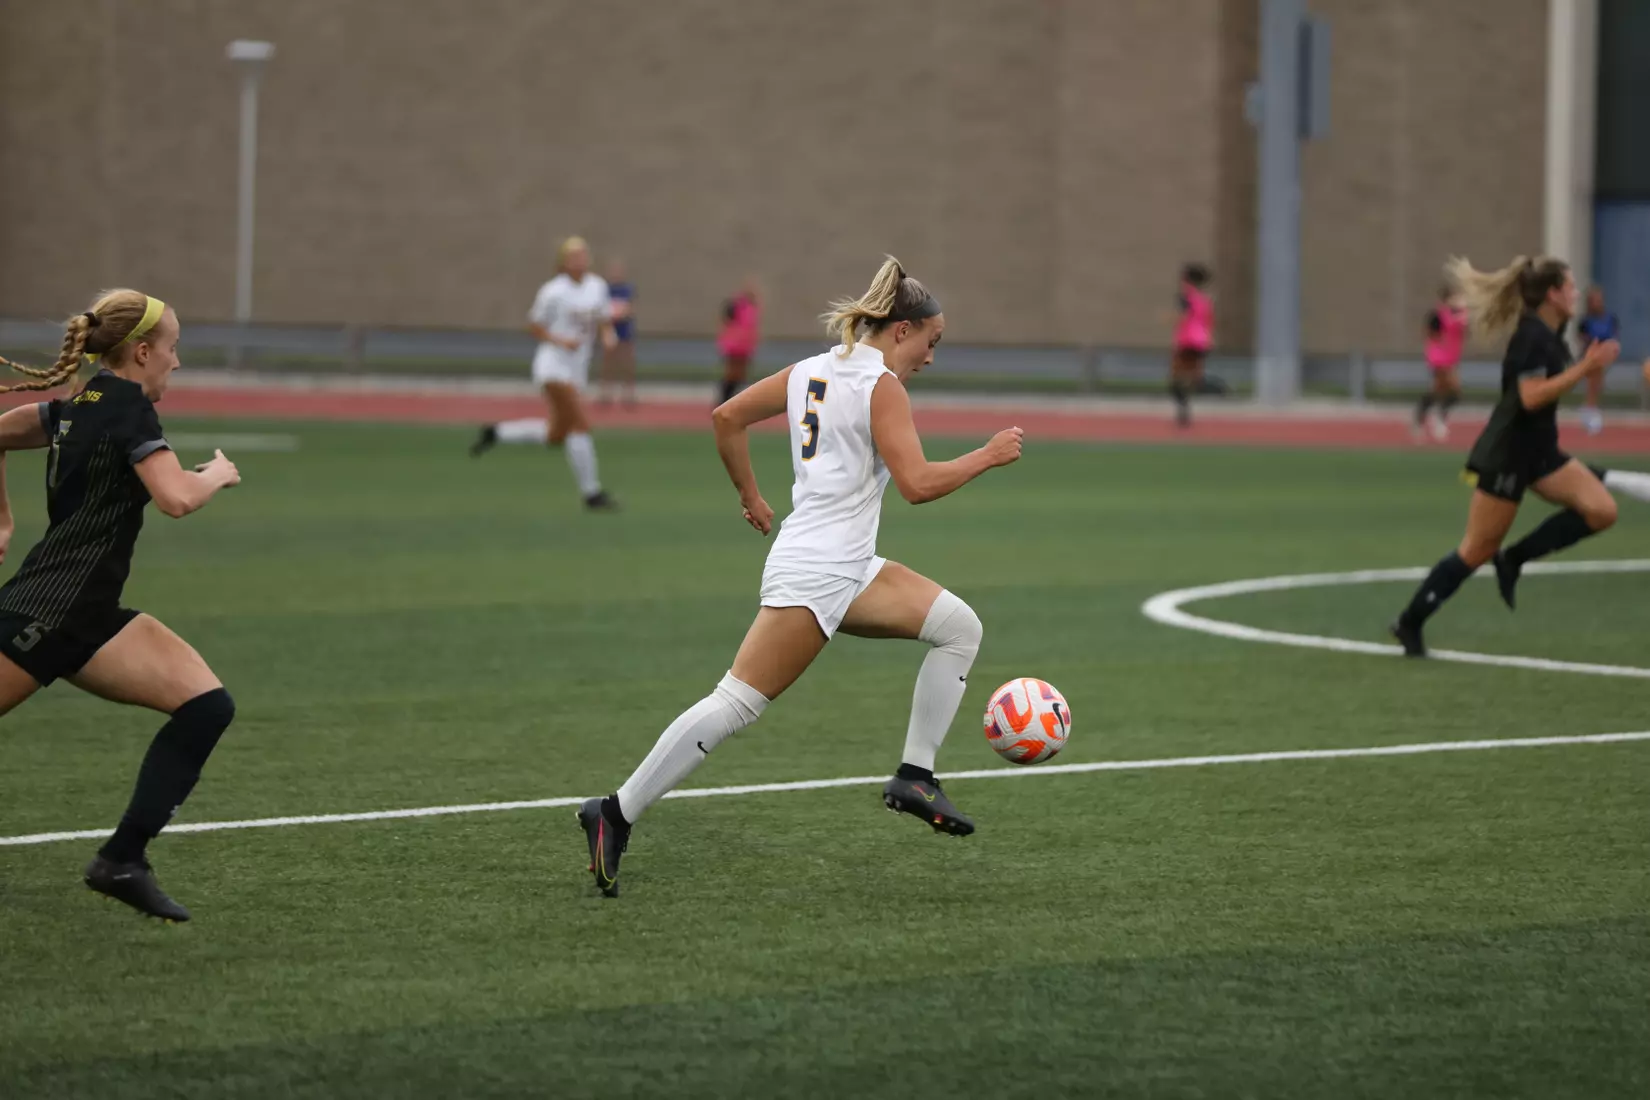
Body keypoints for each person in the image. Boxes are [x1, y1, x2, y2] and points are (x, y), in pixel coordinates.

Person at [577, 257, 1023, 897]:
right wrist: (987, 455)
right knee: (735, 704)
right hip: (818, 572)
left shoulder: (812, 370)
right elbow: (918, 486)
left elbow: (725, 417)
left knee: (959, 628)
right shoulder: (880, 387)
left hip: (845, 565)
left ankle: (914, 776)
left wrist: (751, 496)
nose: (930, 357)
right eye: (932, 341)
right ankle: (614, 812)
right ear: (902, 330)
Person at [0, 290, 241, 921]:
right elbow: (175, 498)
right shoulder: (128, 406)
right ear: (141, 352)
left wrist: (1, 518)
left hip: (90, 616)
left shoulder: (81, 405)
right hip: (46, 613)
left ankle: (122, 860)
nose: (177, 362)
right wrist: (216, 475)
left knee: (206, 706)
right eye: (172, 348)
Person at [1390, 257, 1620, 657]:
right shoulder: (1531, 337)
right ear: (1552, 294)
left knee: (1601, 510)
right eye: (1569, 286)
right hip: (1510, 456)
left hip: (1542, 451)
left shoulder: (1552, 331)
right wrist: (1586, 368)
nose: (1576, 293)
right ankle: (1410, 621)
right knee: (1476, 549)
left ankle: (1513, 559)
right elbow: (1531, 397)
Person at [470, 237, 619, 510]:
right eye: (573, 256)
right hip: (552, 367)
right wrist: (561, 341)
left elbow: (603, 319)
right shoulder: (553, 291)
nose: (579, 260)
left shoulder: (597, 286)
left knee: (555, 435)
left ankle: (497, 433)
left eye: (583, 254)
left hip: (577, 371)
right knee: (580, 425)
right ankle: (592, 494)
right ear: (563, 261)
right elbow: (534, 326)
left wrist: (608, 336)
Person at [1415, 285, 1467, 442]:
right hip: (1438, 358)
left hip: (1451, 358)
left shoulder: (1459, 316)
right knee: (1452, 389)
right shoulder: (1437, 315)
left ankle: (1422, 416)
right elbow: (1430, 333)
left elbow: (1463, 332)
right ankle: (1436, 419)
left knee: (1440, 392)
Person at [1169, 264, 1214, 427]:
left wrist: (1171, 320)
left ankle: (1184, 412)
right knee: (1190, 378)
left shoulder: (1186, 297)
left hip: (1187, 341)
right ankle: (1186, 406)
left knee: (1177, 380)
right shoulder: (1205, 299)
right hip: (1201, 342)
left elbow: (1181, 316)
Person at [1576, 285, 1620, 436]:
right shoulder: (1586, 320)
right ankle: (1590, 409)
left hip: (1606, 354)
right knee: (1594, 377)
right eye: (1594, 300)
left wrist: (1610, 348)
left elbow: (1615, 335)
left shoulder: (1610, 318)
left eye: (1599, 300)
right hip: (1591, 355)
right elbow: (1582, 338)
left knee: (1598, 379)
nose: (1597, 303)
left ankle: (1591, 408)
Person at [597, 260, 637, 408]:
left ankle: (629, 395)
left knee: (627, 364)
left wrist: (621, 313)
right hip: (610, 329)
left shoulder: (627, 289)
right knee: (608, 364)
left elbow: (630, 309)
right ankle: (605, 394)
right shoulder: (604, 290)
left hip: (625, 331)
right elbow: (601, 309)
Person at [716, 277, 763, 406]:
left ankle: (729, 400)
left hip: (744, 347)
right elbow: (728, 320)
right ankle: (723, 400)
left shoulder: (752, 308)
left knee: (740, 375)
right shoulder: (736, 305)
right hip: (734, 346)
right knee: (732, 374)